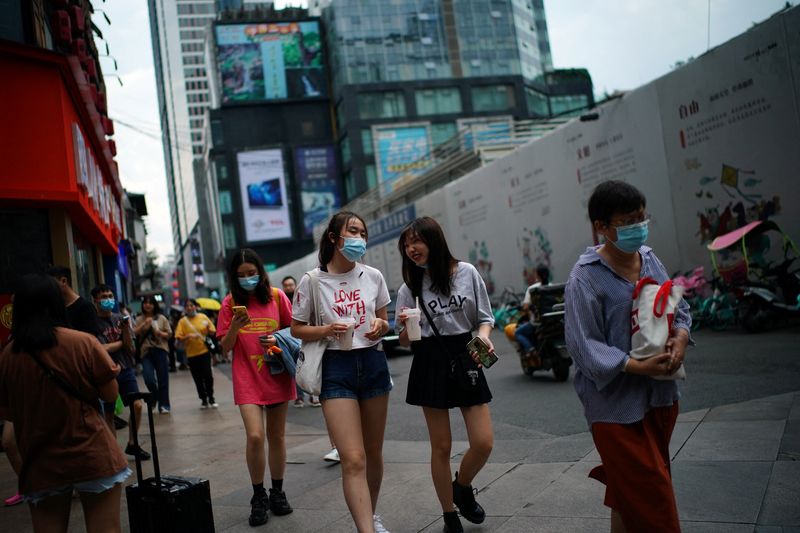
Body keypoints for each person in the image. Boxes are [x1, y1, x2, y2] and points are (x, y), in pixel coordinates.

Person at [565, 180, 691, 533]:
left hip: (661, 396)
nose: (638, 226)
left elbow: (678, 310)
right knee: (654, 501)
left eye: (641, 217)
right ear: (601, 227)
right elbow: (583, 345)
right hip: (615, 410)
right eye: (627, 221)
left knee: (629, 494)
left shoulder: (650, 258)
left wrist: (680, 339)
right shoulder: (585, 278)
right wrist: (636, 365)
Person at [0, 274, 130, 533]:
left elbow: (8, 413)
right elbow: (110, 395)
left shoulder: (7, 356)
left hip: (41, 461)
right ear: (56, 304)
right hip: (92, 453)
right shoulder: (81, 342)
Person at [291, 211, 393, 533]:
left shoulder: (374, 276)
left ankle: (371, 516)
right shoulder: (312, 281)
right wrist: (326, 330)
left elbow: (384, 320)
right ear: (334, 238)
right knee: (353, 457)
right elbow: (296, 329)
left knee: (374, 454)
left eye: (363, 232)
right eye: (352, 231)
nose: (359, 238)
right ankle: (366, 530)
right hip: (336, 367)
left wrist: (382, 325)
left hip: (373, 363)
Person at [395, 216, 495, 533]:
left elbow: (485, 317)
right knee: (441, 446)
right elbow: (403, 339)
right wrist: (405, 330)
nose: (411, 249)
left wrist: (484, 336)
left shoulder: (466, 273)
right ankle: (449, 514)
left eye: (417, 241)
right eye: (407, 245)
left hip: (466, 353)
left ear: (434, 240)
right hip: (429, 358)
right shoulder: (408, 288)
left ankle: (462, 487)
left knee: (484, 442)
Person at [217, 248, 295, 527]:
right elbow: (225, 348)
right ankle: (258, 495)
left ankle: (277, 491)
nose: (247, 279)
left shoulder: (276, 296)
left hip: (277, 374)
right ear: (233, 278)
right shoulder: (229, 303)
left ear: (260, 272)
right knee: (255, 436)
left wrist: (275, 341)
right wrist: (235, 327)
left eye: (252, 273)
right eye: (241, 276)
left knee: (277, 436)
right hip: (247, 377)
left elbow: (294, 331)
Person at [91, 285, 150, 461]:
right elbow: (101, 348)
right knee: (109, 413)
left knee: (137, 405)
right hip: (105, 372)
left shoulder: (120, 319)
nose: (108, 299)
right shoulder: (92, 323)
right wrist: (120, 343)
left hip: (125, 369)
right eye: (103, 296)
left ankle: (133, 444)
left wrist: (125, 330)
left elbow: (131, 348)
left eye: (110, 295)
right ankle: (114, 452)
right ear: (95, 300)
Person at [283, 275, 321, 409]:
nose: (288, 287)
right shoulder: (281, 300)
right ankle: (299, 396)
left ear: (295, 285)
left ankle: (313, 394)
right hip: (288, 338)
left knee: (308, 364)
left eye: (290, 285)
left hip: (303, 336)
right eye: (286, 285)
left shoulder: (302, 297)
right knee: (295, 367)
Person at [175, 299, 218, 408]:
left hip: (204, 351)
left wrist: (208, 329)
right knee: (197, 377)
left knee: (208, 375)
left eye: (191, 305)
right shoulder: (182, 321)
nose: (189, 308)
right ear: (185, 308)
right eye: (187, 306)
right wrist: (188, 336)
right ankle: (203, 399)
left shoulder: (203, 317)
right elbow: (178, 337)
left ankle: (211, 397)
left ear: (195, 307)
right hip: (191, 354)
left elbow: (213, 331)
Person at [134, 296, 172, 414]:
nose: (148, 305)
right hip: (146, 352)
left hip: (160, 349)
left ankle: (164, 404)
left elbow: (169, 334)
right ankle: (154, 396)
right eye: (145, 303)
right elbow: (134, 333)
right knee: (148, 378)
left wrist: (159, 333)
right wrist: (144, 324)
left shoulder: (161, 318)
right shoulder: (139, 319)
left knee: (163, 379)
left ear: (155, 305)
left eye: (150, 303)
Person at [47, 265, 99, 335]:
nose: (48, 288)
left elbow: (91, 340)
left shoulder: (86, 308)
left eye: (50, 283)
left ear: (63, 281)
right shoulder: (53, 308)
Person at [513, 264, 551, 355]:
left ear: (537, 275)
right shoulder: (552, 286)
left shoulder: (532, 289)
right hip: (553, 322)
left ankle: (530, 349)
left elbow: (525, 307)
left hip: (538, 323)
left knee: (517, 333)